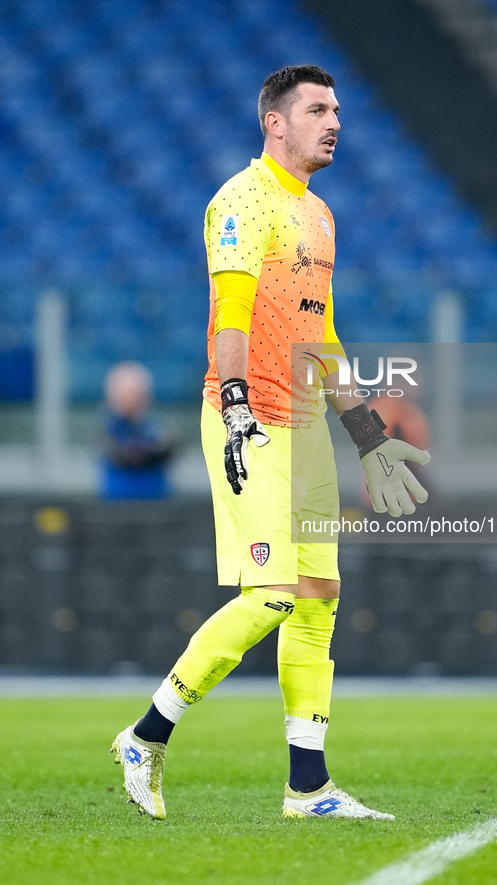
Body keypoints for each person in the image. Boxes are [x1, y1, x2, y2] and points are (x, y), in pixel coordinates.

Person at [111, 65, 431, 820]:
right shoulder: (241, 201)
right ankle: (146, 734)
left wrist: (365, 434)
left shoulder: (318, 216)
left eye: (339, 109)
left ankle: (308, 787)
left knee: (318, 596)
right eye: (318, 109)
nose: (335, 121)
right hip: (250, 418)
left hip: (305, 424)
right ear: (275, 123)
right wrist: (231, 405)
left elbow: (319, 334)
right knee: (272, 594)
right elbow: (231, 314)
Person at [99, 361, 178, 500]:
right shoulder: (108, 426)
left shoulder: (155, 424)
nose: (131, 399)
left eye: (135, 393)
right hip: (116, 500)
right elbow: (116, 453)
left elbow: (169, 447)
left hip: (156, 499)